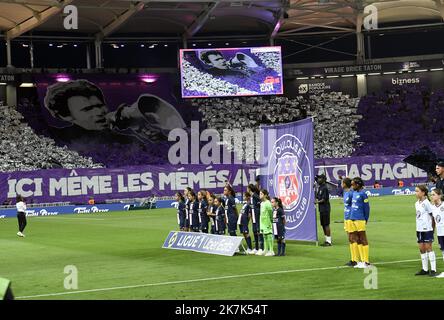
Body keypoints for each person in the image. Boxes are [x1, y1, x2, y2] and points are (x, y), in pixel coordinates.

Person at [44, 79, 185, 144]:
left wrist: (141, 130)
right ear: (65, 115)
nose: (99, 112)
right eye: (88, 109)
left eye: (100, 105)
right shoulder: (55, 138)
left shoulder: (128, 140)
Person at [414, 185, 437, 276]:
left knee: (429, 248)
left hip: (427, 229)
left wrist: (432, 229)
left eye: (417, 191)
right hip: (419, 229)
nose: (416, 193)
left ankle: (434, 269)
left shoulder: (427, 203)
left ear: (423, 193)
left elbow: (433, 216)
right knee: (421, 248)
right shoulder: (416, 203)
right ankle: (425, 269)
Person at [350, 177, 371, 268]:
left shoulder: (363, 194)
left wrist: (366, 219)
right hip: (353, 218)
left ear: (358, 185)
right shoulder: (354, 193)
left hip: (360, 219)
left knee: (363, 238)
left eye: (353, 184)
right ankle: (361, 261)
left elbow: (367, 208)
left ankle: (366, 261)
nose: (352, 186)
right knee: (357, 239)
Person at [342, 178, 358, 267]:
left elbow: (354, 205)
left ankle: (355, 259)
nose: (341, 184)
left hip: (351, 218)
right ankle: (353, 258)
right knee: (350, 239)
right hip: (346, 217)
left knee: (353, 238)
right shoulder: (346, 193)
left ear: (345, 184)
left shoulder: (352, 193)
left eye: (342, 183)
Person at [315, 174, 332, 246]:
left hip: (325, 208)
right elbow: (317, 196)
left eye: (320, 178)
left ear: (323, 179)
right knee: (323, 224)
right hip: (321, 209)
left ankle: (329, 241)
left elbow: (324, 199)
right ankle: (326, 240)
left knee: (326, 224)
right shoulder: (320, 187)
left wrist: (317, 202)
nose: (318, 180)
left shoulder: (324, 188)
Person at [247, 184, 263, 254]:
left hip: (257, 217)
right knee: (254, 232)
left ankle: (261, 248)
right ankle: (256, 248)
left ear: (249, 189)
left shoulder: (255, 196)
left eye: (247, 188)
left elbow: (260, 204)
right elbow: (251, 207)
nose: (246, 190)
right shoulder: (251, 197)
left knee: (259, 232)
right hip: (253, 218)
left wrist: (258, 213)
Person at [431, 188, 444, 271]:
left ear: (439, 196)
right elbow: (434, 221)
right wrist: (432, 232)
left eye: (433, 195)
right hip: (440, 233)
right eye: (431, 195)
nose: (432, 196)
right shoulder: (432, 208)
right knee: (443, 251)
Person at [258, 189, 274, 256]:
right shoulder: (261, 203)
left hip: (267, 222)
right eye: (260, 194)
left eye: (261, 194)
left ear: (265, 195)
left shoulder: (268, 203)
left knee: (269, 235)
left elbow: (270, 213)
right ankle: (265, 249)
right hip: (262, 222)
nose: (260, 195)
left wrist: (271, 220)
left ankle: (271, 250)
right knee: (264, 236)